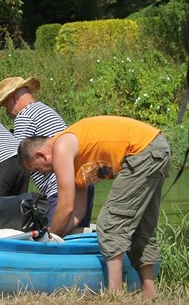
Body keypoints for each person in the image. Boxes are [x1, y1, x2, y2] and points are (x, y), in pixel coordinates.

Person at [17, 116, 171, 300]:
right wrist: (59, 237)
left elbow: (64, 207)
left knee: (109, 223)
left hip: (143, 151)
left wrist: (48, 240)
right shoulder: (76, 162)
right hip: (156, 148)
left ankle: (115, 295)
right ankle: (150, 293)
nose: (41, 173)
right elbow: (77, 212)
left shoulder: (61, 146)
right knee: (142, 227)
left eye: (37, 169)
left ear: (41, 155)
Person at [0, 76, 94, 229]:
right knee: (76, 235)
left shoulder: (24, 116)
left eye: (5, 105)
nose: (7, 111)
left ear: (13, 99)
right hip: (81, 180)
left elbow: (19, 157)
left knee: (54, 233)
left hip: (58, 186)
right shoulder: (45, 110)